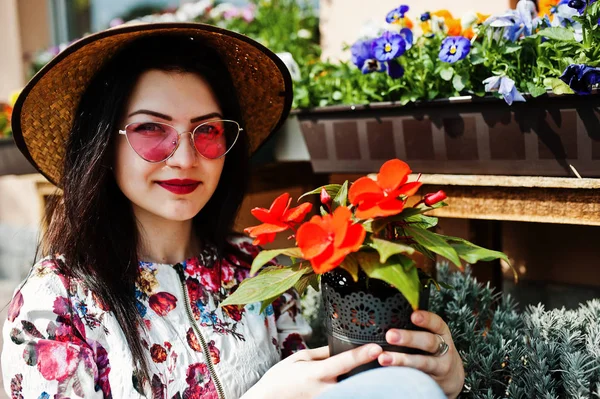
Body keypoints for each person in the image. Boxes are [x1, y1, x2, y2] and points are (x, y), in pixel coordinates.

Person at [1, 23, 464, 399]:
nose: (184, 157)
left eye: (207, 131)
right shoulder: (53, 306)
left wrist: (427, 372)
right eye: (150, 130)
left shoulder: (255, 270)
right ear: (104, 144)